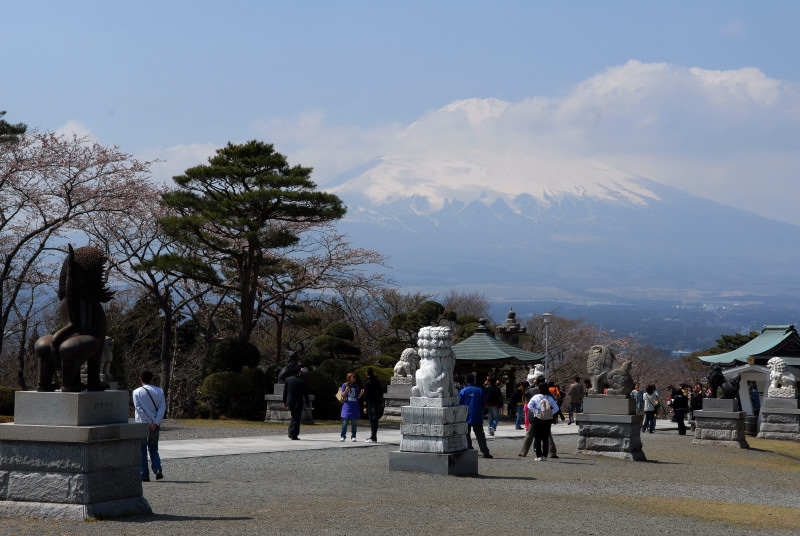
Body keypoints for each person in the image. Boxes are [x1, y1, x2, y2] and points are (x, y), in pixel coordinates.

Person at [133, 370, 166, 482]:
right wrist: (155, 422)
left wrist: (148, 421)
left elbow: (138, 409)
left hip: (141, 423)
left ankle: (144, 475)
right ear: (152, 379)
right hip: (155, 424)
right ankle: (157, 468)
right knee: (153, 448)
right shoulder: (159, 391)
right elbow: (162, 408)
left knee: (142, 450)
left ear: (140, 379)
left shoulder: (136, 392)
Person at [519, 383, 559, 460]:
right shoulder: (549, 398)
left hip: (537, 418)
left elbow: (529, 406)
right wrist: (550, 413)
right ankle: (544, 455)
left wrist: (536, 412)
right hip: (547, 419)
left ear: (539, 389)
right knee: (545, 437)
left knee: (537, 437)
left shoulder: (536, 397)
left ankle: (538, 455)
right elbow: (556, 408)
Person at [458, 374, 493, 458]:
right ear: (474, 380)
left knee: (467, 434)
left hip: (465, 415)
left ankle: (469, 449)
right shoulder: (480, 390)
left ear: (466, 381)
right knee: (480, 434)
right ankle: (485, 451)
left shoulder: (463, 391)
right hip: (477, 415)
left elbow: (459, 402)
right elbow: (484, 401)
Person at [282, 365, 310, 440]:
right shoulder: (302, 381)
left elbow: (285, 391)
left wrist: (284, 401)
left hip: (290, 401)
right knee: (297, 418)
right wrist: (307, 402)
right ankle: (294, 434)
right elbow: (305, 393)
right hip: (298, 402)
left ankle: (290, 432)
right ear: (299, 372)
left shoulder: (288, 379)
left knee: (293, 416)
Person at [339, 372, 363, 442]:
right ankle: (343, 436)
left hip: (354, 406)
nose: (355, 378)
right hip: (347, 405)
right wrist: (346, 389)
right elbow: (342, 395)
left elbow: (357, 397)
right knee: (345, 422)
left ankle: (353, 436)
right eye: (353, 377)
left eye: (355, 377)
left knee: (354, 423)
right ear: (349, 378)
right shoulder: (344, 385)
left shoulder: (356, 386)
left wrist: (361, 393)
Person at [362, 368, 384, 443]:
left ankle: (373, 437)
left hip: (371, 403)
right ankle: (374, 436)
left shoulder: (368, 382)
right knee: (375, 420)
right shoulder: (377, 382)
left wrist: (364, 406)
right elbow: (381, 392)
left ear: (367, 373)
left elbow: (366, 395)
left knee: (372, 420)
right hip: (377, 403)